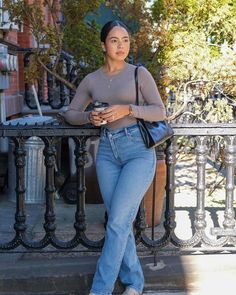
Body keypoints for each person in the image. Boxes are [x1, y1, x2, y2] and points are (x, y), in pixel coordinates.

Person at [62, 20, 166, 295]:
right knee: (119, 221)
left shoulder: (139, 74)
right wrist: (89, 117)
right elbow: (70, 113)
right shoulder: (91, 80)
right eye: (114, 40)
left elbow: (160, 111)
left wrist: (127, 109)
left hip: (138, 153)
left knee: (118, 221)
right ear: (103, 45)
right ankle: (134, 283)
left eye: (126, 40)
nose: (121, 46)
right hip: (107, 152)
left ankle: (100, 290)